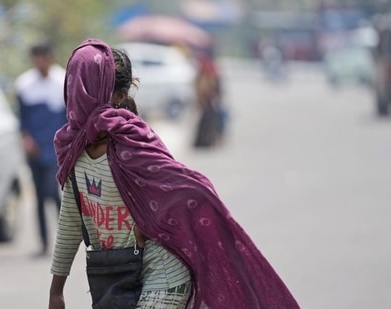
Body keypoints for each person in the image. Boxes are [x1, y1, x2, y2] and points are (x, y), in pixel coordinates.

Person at [49, 39, 299, 309]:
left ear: (120, 97)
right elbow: (71, 222)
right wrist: (56, 291)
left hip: (164, 272)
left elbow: (191, 190)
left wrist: (151, 222)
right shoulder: (72, 149)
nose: (80, 94)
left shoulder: (134, 142)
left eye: (88, 86)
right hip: (116, 277)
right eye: (77, 84)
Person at [15, 42, 66, 257]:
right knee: (38, 194)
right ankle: (44, 241)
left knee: (53, 193)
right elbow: (23, 119)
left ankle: (64, 239)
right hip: (35, 148)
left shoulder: (62, 80)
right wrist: (27, 141)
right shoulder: (25, 85)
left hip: (55, 146)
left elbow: (67, 116)